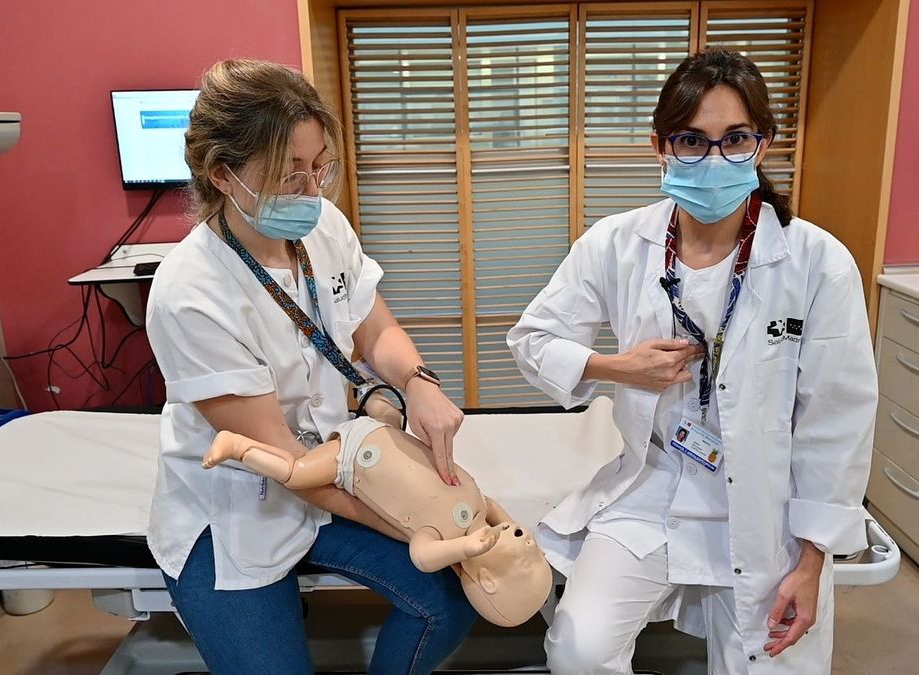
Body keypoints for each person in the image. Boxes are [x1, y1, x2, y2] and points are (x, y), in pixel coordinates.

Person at [507, 49, 877, 674]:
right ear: (660, 147)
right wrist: (614, 368)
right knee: (579, 649)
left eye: (734, 139)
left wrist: (814, 561)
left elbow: (836, 422)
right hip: (651, 488)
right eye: (691, 140)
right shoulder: (618, 243)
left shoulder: (816, 262)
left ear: (762, 145)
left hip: (766, 507)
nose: (713, 160)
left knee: (774, 662)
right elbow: (533, 338)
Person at [145, 59, 477, 675]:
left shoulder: (323, 228)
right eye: (286, 173)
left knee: (451, 602)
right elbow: (283, 462)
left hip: (328, 473)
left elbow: (374, 326)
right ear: (222, 174)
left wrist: (418, 384)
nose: (310, 190)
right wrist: (412, 523)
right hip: (237, 511)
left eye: (317, 166)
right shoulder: (189, 292)